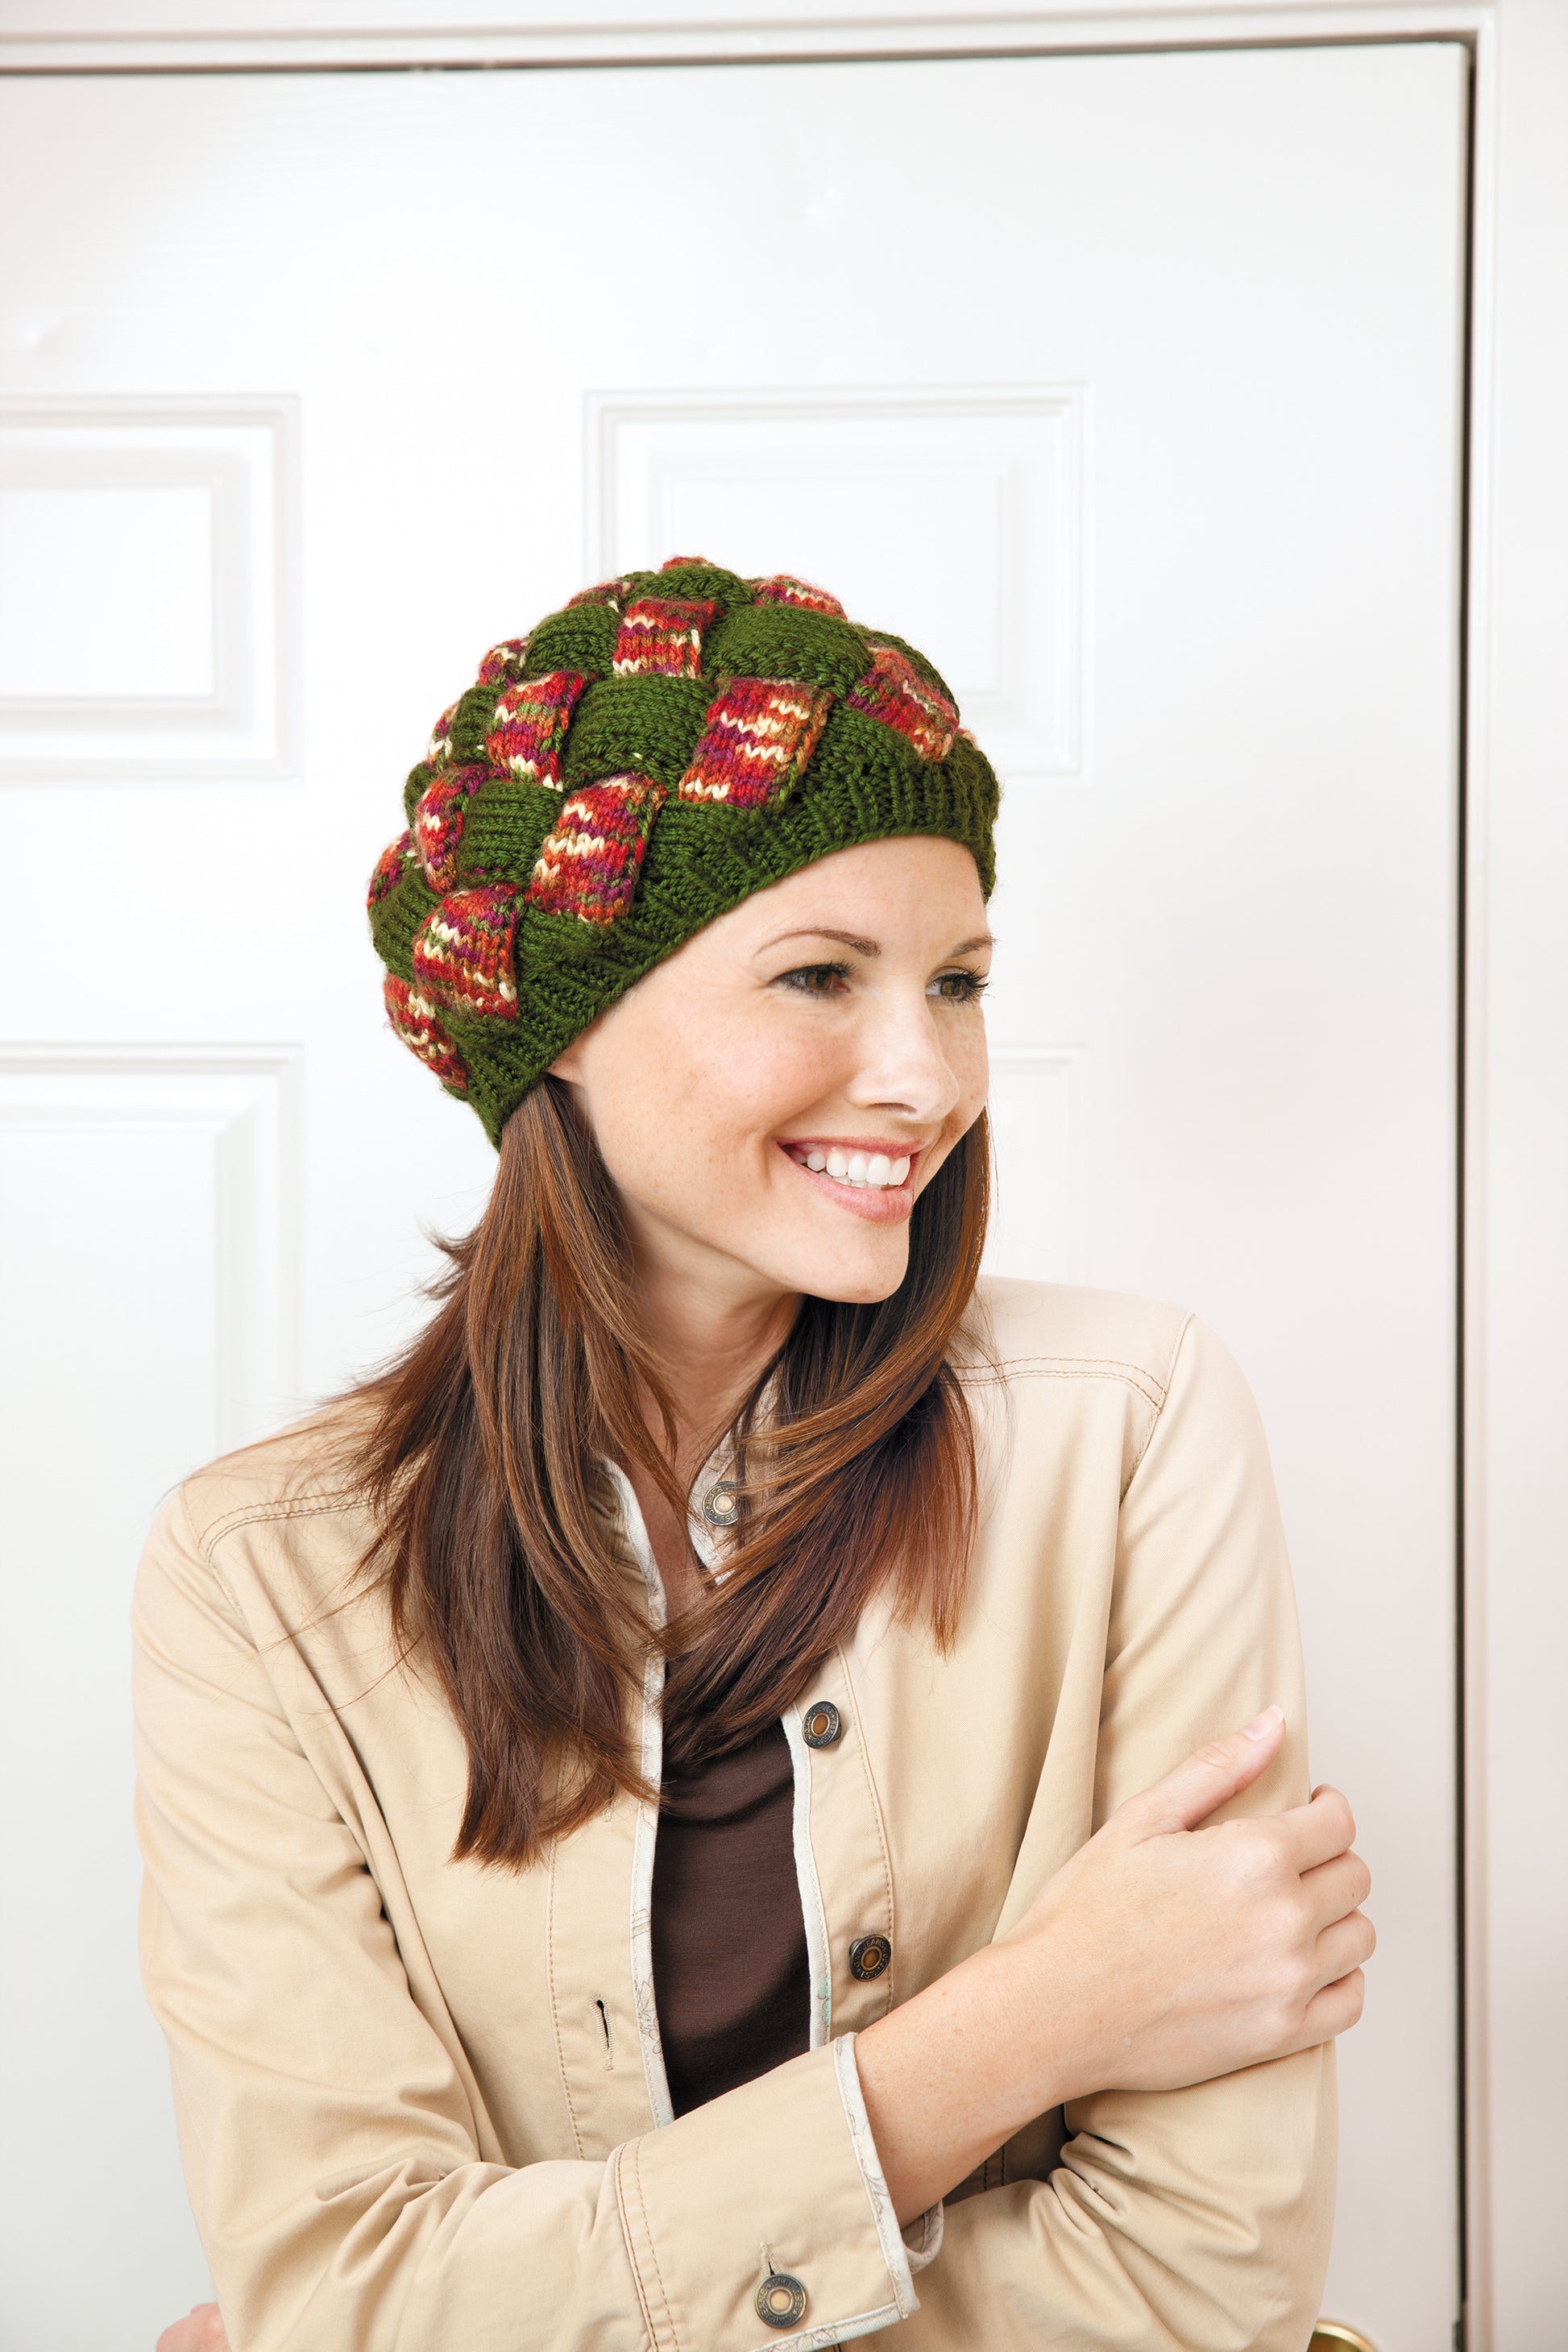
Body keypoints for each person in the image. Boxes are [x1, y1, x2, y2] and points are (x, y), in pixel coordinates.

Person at [141, 560, 1371, 2352]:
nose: (925, 1074)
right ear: (559, 1018)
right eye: (819, 973)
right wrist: (1020, 2028)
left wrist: (486, 2310)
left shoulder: (1129, 1426)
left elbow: (1200, 2283)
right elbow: (352, 2287)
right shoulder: (257, 1571)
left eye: (955, 982)